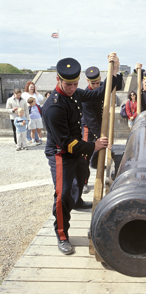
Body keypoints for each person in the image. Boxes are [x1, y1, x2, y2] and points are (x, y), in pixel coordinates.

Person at [42, 53, 120, 255]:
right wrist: (93, 146)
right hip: (61, 154)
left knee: (82, 176)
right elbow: (66, 143)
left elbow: (98, 94)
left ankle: (77, 202)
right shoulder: (53, 106)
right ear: (58, 80)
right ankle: (62, 235)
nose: (73, 88)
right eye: (69, 84)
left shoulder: (75, 93)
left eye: (76, 84)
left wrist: (115, 71)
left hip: (77, 150)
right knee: (63, 194)